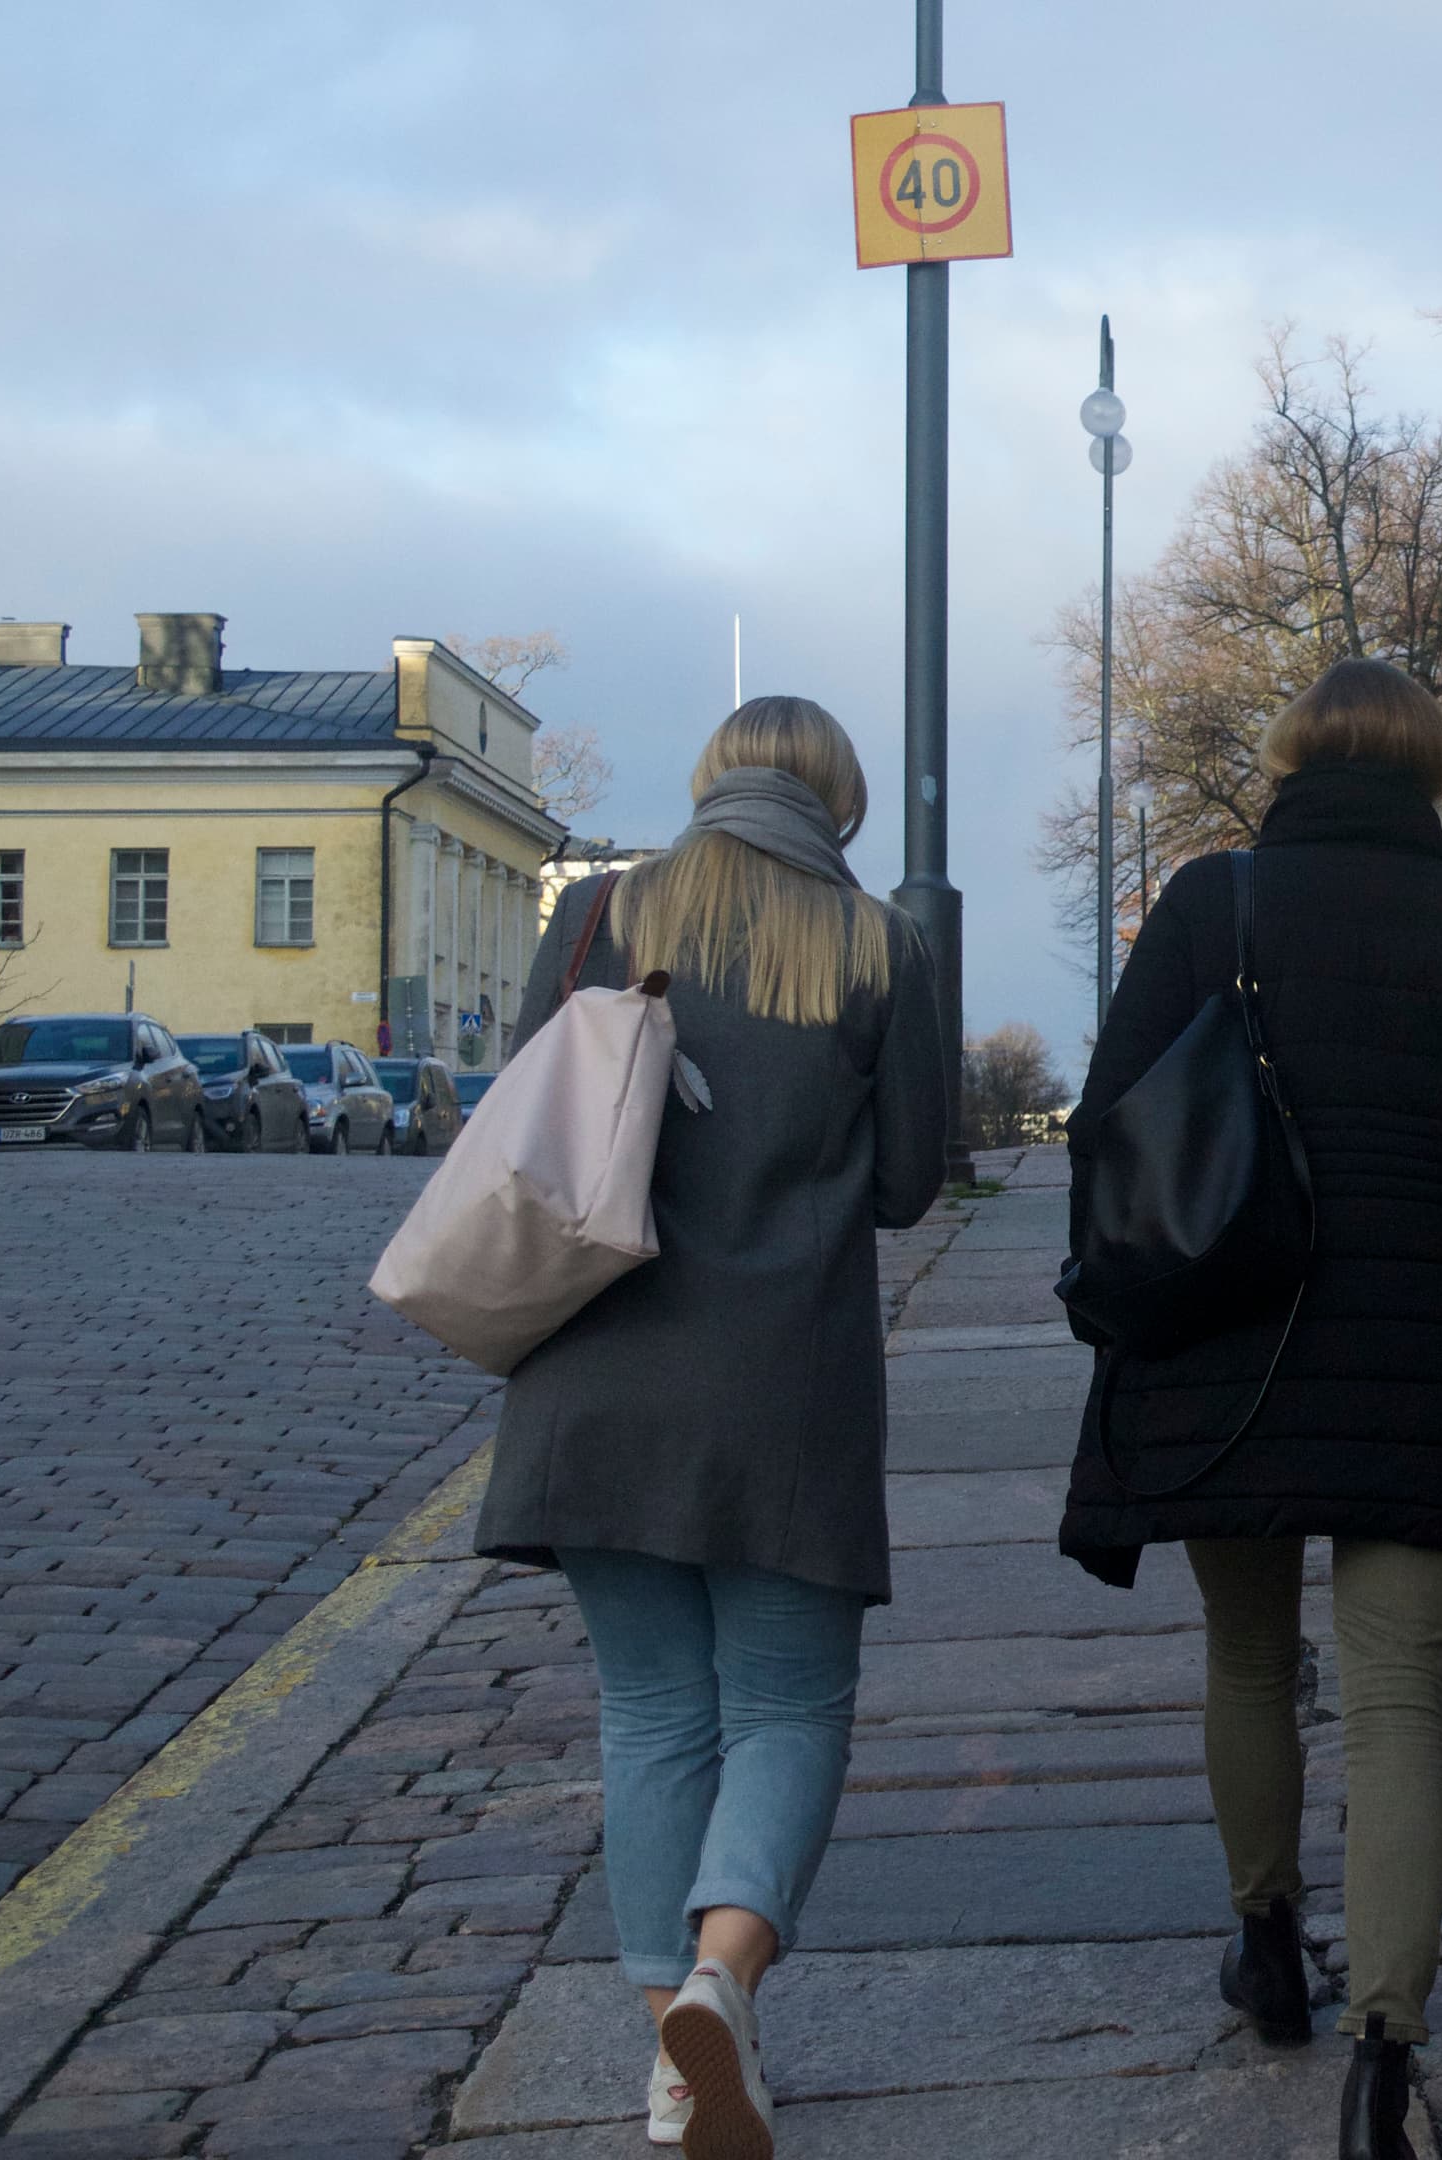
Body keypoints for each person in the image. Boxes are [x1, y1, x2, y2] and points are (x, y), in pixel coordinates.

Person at [1056, 659, 1442, 2160]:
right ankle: (1385, 2059)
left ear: (1291, 760)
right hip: (1422, 1360)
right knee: (1397, 1697)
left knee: (1246, 1656)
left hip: (1224, 1345)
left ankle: (1270, 1942)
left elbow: (1108, 1128)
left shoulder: (1209, 904)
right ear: (1432, 774)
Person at [474, 697, 950, 2160]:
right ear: (843, 799)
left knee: (654, 1713)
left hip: (600, 1375)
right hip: (783, 1388)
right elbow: (910, 1184)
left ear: (709, 783)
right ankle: (719, 1980)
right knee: (790, 1708)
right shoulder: (881, 946)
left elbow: (520, 1106)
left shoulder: (607, 912)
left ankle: (674, 2070)